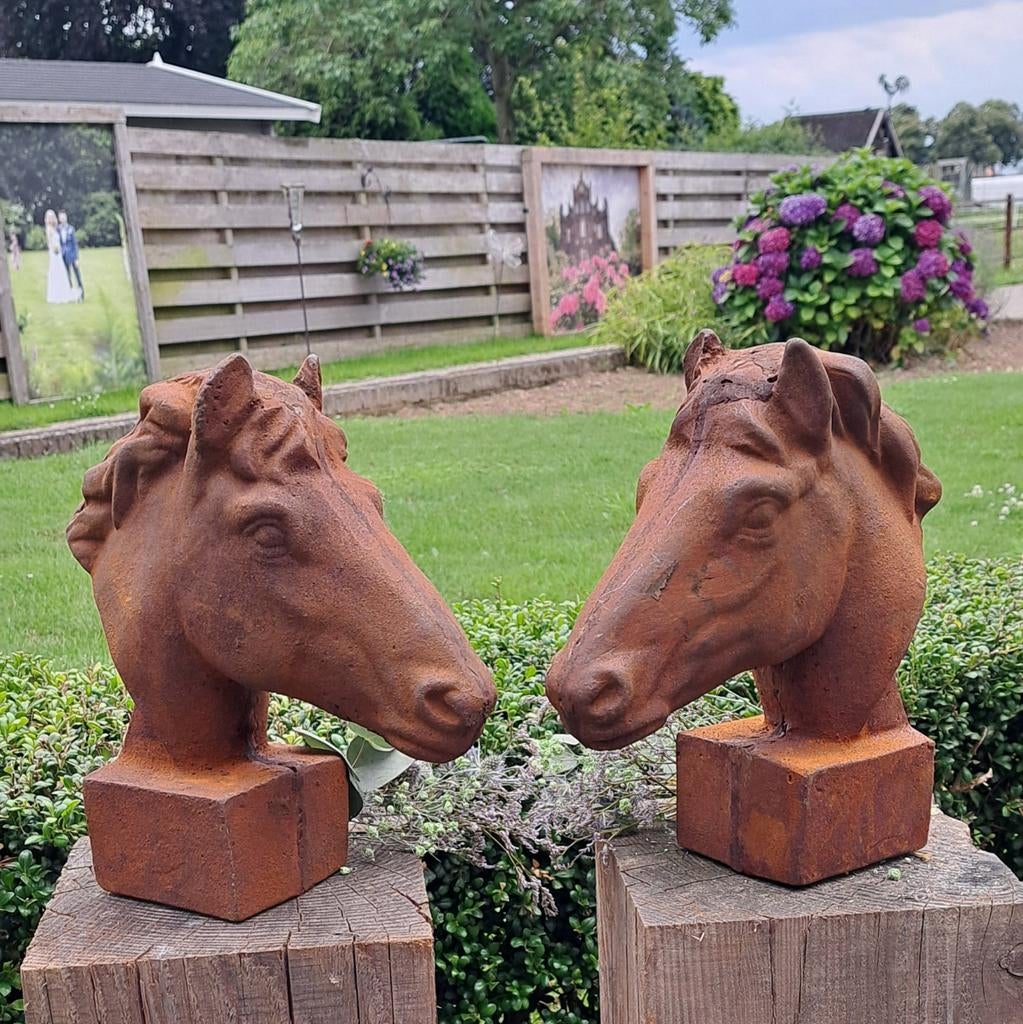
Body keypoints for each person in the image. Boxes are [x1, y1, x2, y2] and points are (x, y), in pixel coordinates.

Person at [44, 209, 78, 304]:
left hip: (59, 253)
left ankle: (64, 291)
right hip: (54, 253)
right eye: (49, 218)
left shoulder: (56, 229)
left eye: (52, 217)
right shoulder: (49, 229)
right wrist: (55, 248)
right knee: (55, 271)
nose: (50, 219)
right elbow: (50, 242)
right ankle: (56, 294)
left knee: (62, 271)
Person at [58, 210, 85, 301]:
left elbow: (74, 244)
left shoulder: (71, 229)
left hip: (72, 255)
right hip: (63, 255)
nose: (62, 219)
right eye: (61, 217)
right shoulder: (58, 229)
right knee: (67, 275)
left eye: (63, 217)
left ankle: (81, 293)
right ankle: (70, 293)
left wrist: (77, 258)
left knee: (77, 275)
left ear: (66, 218)